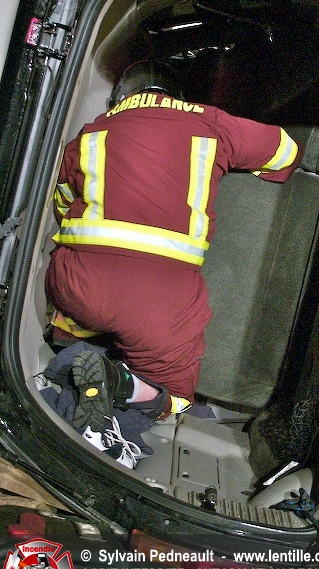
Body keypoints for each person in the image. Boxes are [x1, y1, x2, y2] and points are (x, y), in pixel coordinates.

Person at [45, 59, 303, 434]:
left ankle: (68, 342)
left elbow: (62, 205)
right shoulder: (212, 124)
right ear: (176, 97)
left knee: (77, 313)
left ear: (119, 98)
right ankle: (127, 386)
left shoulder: (89, 134)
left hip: (76, 286)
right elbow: (286, 152)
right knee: (178, 399)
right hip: (158, 302)